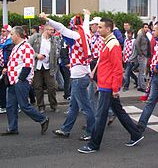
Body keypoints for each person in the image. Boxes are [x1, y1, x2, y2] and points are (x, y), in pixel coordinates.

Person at [77, 18, 144, 154]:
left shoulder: (112, 44)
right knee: (118, 111)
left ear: (108, 29)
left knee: (100, 116)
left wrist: (114, 88)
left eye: (101, 27)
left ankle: (93, 145)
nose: (98, 29)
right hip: (106, 84)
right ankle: (136, 134)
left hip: (107, 86)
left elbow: (117, 69)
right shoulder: (108, 42)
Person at [40, 10, 95, 141]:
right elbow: (86, 24)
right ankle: (65, 129)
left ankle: (91, 132)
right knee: (74, 107)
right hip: (82, 75)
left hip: (79, 77)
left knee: (86, 108)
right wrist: (87, 15)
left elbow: (61, 27)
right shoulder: (85, 33)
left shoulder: (76, 35)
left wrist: (47, 20)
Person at [1, 26, 49, 136]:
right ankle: (12, 128)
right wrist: (7, 69)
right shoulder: (17, 47)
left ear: (17, 35)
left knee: (24, 105)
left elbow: (27, 66)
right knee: (10, 106)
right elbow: (15, 63)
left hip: (20, 81)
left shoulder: (26, 47)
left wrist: (20, 79)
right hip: (13, 81)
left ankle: (42, 119)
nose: (10, 36)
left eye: (12, 34)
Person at [28, 24, 59, 113]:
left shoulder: (54, 40)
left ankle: (54, 105)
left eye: (53, 30)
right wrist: (37, 55)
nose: (53, 32)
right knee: (38, 87)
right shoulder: (36, 38)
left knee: (52, 87)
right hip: (37, 66)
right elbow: (27, 49)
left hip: (49, 66)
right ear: (45, 30)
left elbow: (57, 52)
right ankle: (41, 106)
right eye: (51, 30)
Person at [0, 25, 14, 114]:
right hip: (2, 65)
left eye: (4, 31)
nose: (2, 33)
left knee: (10, 86)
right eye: (1, 31)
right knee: (2, 86)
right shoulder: (2, 41)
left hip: (8, 66)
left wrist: (6, 66)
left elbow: (8, 56)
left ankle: (16, 105)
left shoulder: (10, 42)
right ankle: (3, 105)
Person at [134, 23, 151, 92]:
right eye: (145, 27)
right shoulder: (141, 35)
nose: (146, 28)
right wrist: (140, 54)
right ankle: (142, 86)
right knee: (142, 72)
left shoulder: (145, 35)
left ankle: (139, 85)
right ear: (142, 28)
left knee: (141, 71)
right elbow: (136, 44)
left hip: (145, 55)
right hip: (143, 55)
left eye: (147, 27)